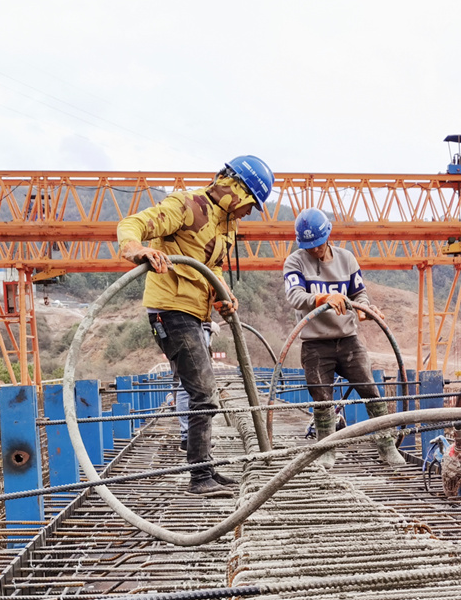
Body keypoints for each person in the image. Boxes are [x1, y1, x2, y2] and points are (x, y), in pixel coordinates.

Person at [118, 155, 273, 496]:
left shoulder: (225, 223)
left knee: (203, 393)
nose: (249, 213)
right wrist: (137, 249)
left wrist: (222, 295)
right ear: (237, 191)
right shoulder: (187, 205)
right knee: (203, 394)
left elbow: (210, 266)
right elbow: (133, 224)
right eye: (250, 205)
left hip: (195, 314)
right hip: (170, 310)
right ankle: (199, 477)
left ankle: (206, 470)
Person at [283, 207, 406, 469]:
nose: (315, 250)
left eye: (318, 244)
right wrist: (324, 298)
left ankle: (386, 446)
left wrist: (365, 310)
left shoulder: (347, 259)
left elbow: (359, 295)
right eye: (309, 246)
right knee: (321, 398)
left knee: (370, 391)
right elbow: (294, 297)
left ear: (327, 236)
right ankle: (327, 450)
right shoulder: (295, 262)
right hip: (315, 342)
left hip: (348, 339)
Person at [174, 320, 218, 451]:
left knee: (192, 383)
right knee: (192, 384)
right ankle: (191, 438)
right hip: (191, 326)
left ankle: (191, 437)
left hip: (193, 326)